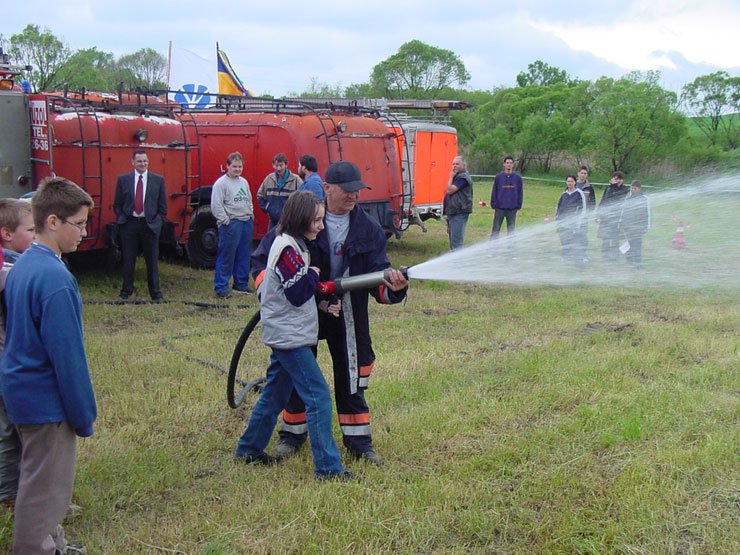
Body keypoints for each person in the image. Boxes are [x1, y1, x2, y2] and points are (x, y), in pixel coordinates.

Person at [251, 161, 408, 465]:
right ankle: (292, 435)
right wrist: (272, 296)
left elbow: (378, 278)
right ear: (327, 189)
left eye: (356, 191)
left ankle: (359, 442)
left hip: (347, 310)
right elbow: (261, 264)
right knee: (298, 373)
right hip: (302, 308)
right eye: (346, 191)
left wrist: (395, 288)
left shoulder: (369, 229)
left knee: (352, 374)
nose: (353, 197)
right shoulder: (300, 222)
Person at [0, 177, 96, 555]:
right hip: (46, 401)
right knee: (44, 491)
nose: (84, 233)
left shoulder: (23, 266)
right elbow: (67, 357)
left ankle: (53, 543)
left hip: (22, 392)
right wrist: (83, 413)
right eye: (80, 223)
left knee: (45, 483)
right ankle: (34, 548)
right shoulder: (56, 278)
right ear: (53, 221)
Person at [235, 191, 352, 480]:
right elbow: (299, 292)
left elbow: (297, 290)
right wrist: (312, 272)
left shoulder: (296, 245)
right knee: (319, 397)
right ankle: (327, 469)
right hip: (290, 339)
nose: (321, 226)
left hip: (291, 333)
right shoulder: (286, 248)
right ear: (301, 219)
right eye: (317, 220)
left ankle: (249, 449)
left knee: (274, 393)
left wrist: (322, 301)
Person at [0, 199, 34, 509]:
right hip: (8, 363)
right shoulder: (10, 272)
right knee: (13, 429)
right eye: (31, 230)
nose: (36, 236)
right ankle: (14, 494)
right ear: (7, 234)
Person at [113, 148, 168, 302]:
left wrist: (156, 223)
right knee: (128, 260)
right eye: (139, 161)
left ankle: (156, 294)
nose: (142, 164)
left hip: (149, 226)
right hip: (129, 225)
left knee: (152, 261)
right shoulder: (123, 180)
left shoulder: (158, 180)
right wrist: (122, 218)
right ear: (133, 162)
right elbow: (117, 204)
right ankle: (126, 292)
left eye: (145, 161)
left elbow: (163, 207)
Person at [210, 152, 255, 298]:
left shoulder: (244, 182)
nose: (237, 169)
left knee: (244, 255)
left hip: (245, 222)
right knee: (227, 255)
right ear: (227, 166)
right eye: (234, 166)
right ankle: (221, 287)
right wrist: (226, 221)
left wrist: (251, 213)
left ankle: (241, 284)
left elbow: (249, 198)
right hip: (231, 223)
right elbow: (216, 205)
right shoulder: (221, 183)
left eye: (240, 166)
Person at [256, 153, 303, 229]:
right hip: (273, 221)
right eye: (276, 165)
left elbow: (303, 200)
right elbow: (260, 195)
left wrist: (294, 215)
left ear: (286, 165)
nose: (278, 168)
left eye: (281, 165)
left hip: (289, 223)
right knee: (271, 240)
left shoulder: (296, 180)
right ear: (273, 165)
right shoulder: (269, 178)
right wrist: (267, 208)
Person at [596, 171, 629, 262]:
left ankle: (614, 257)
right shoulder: (608, 188)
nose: (615, 180)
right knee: (605, 238)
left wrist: (614, 186)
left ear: (622, 180)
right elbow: (604, 201)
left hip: (616, 219)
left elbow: (616, 198)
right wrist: (598, 214)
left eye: (617, 179)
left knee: (615, 238)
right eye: (614, 178)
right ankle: (605, 256)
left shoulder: (624, 190)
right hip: (605, 218)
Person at [618, 180, 651, 269]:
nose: (633, 190)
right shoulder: (628, 199)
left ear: (639, 189)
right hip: (628, 226)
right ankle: (629, 262)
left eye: (635, 188)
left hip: (638, 227)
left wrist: (646, 227)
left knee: (637, 245)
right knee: (628, 244)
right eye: (632, 188)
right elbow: (623, 212)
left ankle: (638, 263)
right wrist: (621, 224)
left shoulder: (644, 199)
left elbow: (647, 214)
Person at [443, 155, 473, 250]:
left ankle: (458, 264)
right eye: (453, 164)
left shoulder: (463, 178)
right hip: (453, 212)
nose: (454, 166)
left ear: (464, 165)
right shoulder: (457, 177)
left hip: (459, 213)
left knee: (457, 243)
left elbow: (449, 190)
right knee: (453, 241)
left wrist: (450, 177)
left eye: (457, 164)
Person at [555, 175, 587, 264]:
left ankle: (579, 259)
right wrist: (557, 218)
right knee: (564, 240)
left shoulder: (579, 193)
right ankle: (566, 257)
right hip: (563, 223)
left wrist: (578, 222)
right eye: (568, 181)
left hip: (574, 223)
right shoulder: (564, 194)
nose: (570, 183)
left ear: (575, 182)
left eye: (571, 181)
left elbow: (582, 209)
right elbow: (558, 207)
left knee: (575, 241)